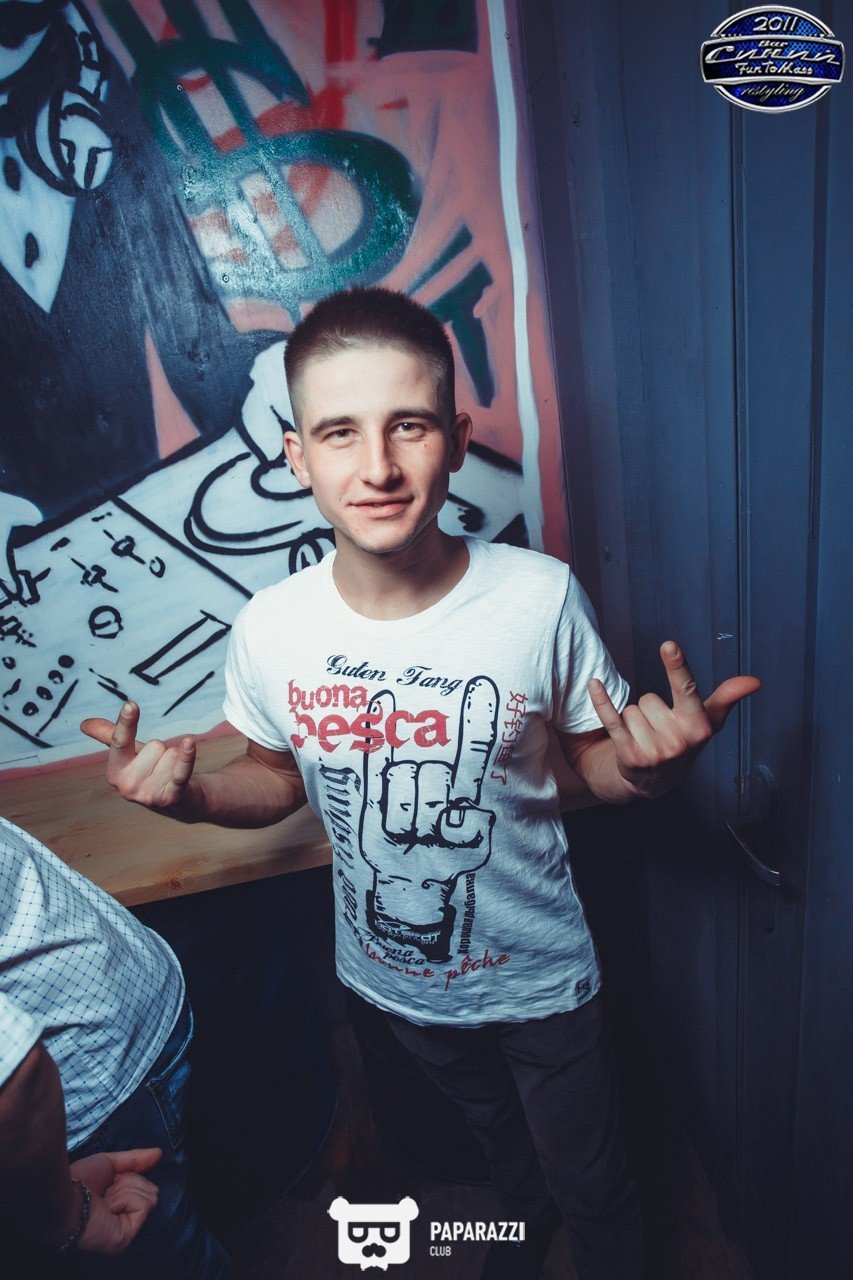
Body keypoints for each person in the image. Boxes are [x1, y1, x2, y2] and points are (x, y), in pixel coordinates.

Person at [81, 287, 760, 1279]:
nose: (378, 467)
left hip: (539, 981)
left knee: (597, 1181)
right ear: (296, 456)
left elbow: (594, 760)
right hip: (391, 980)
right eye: (339, 432)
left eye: (408, 424)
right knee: (502, 1151)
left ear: (455, 438)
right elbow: (273, 777)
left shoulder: (536, 597)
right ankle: (520, 1234)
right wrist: (191, 798)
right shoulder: (272, 628)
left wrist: (653, 771)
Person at [0, 817, 230, 1278]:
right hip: (119, 1003)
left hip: (86, 1094)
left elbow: (15, 1073)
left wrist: (63, 1220)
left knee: (164, 1264)